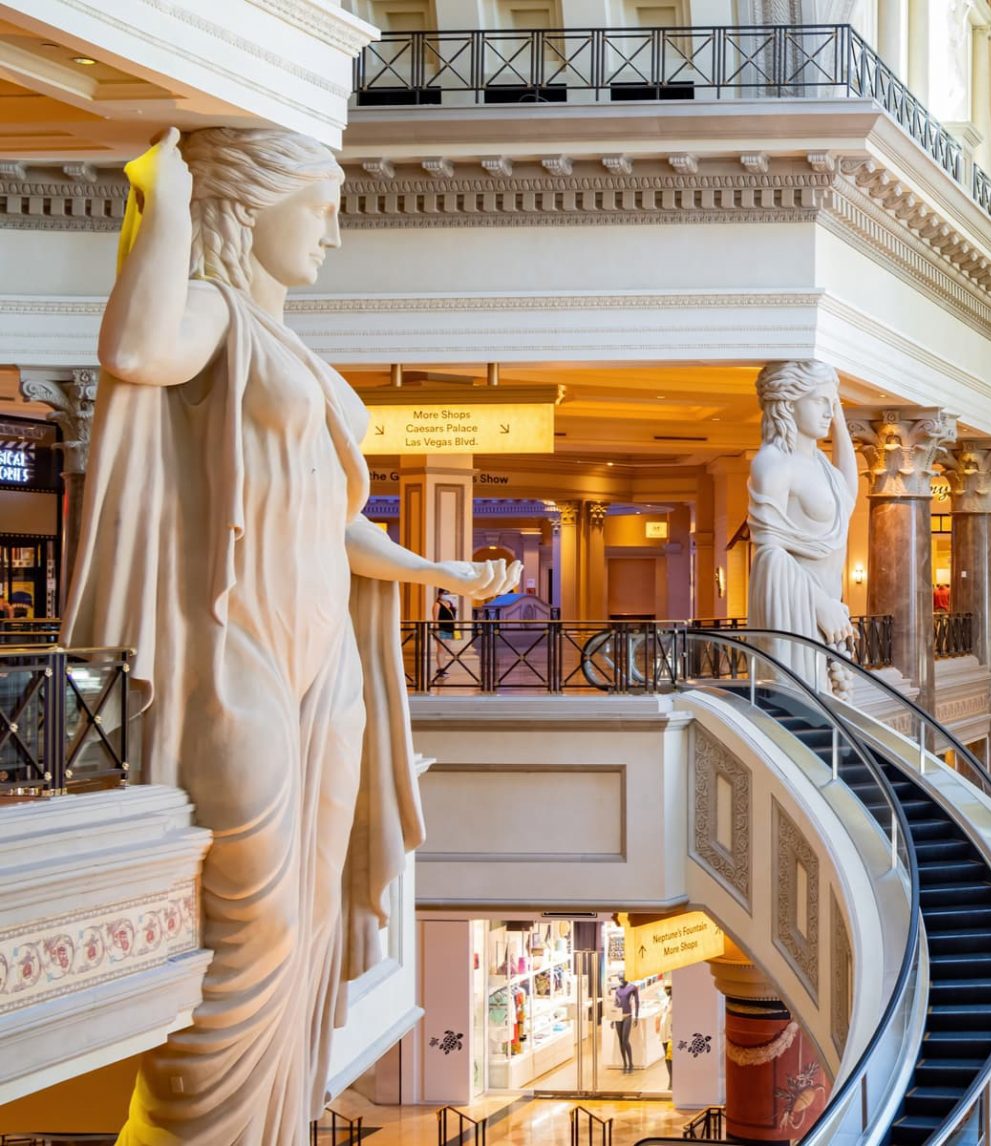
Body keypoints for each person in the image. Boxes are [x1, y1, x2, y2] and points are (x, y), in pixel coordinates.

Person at [81, 126, 519, 1141]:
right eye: (317, 205)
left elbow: (329, 516)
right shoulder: (210, 312)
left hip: (325, 670)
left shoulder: (298, 354)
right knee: (254, 920)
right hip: (238, 650)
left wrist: (433, 571)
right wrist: (168, 198)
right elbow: (133, 351)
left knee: (310, 918)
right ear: (253, 203)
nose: (332, 228)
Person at [746, 360, 862, 694]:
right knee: (808, 703)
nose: (828, 411)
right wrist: (819, 604)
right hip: (800, 609)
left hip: (826, 606)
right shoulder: (773, 465)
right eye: (819, 401)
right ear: (788, 403)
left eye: (832, 402)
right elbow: (769, 554)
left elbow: (848, 493)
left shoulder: (821, 464)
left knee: (829, 706)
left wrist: (839, 416)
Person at [612, 977, 641, 1072]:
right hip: (618, 1016)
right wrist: (612, 1018)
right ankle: (625, 1063)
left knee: (625, 1040)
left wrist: (636, 1016)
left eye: (622, 978)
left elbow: (637, 1002)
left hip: (628, 1015)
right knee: (621, 1040)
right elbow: (616, 1003)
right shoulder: (617, 989)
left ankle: (631, 1063)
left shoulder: (633, 988)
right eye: (620, 978)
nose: (621, 980)